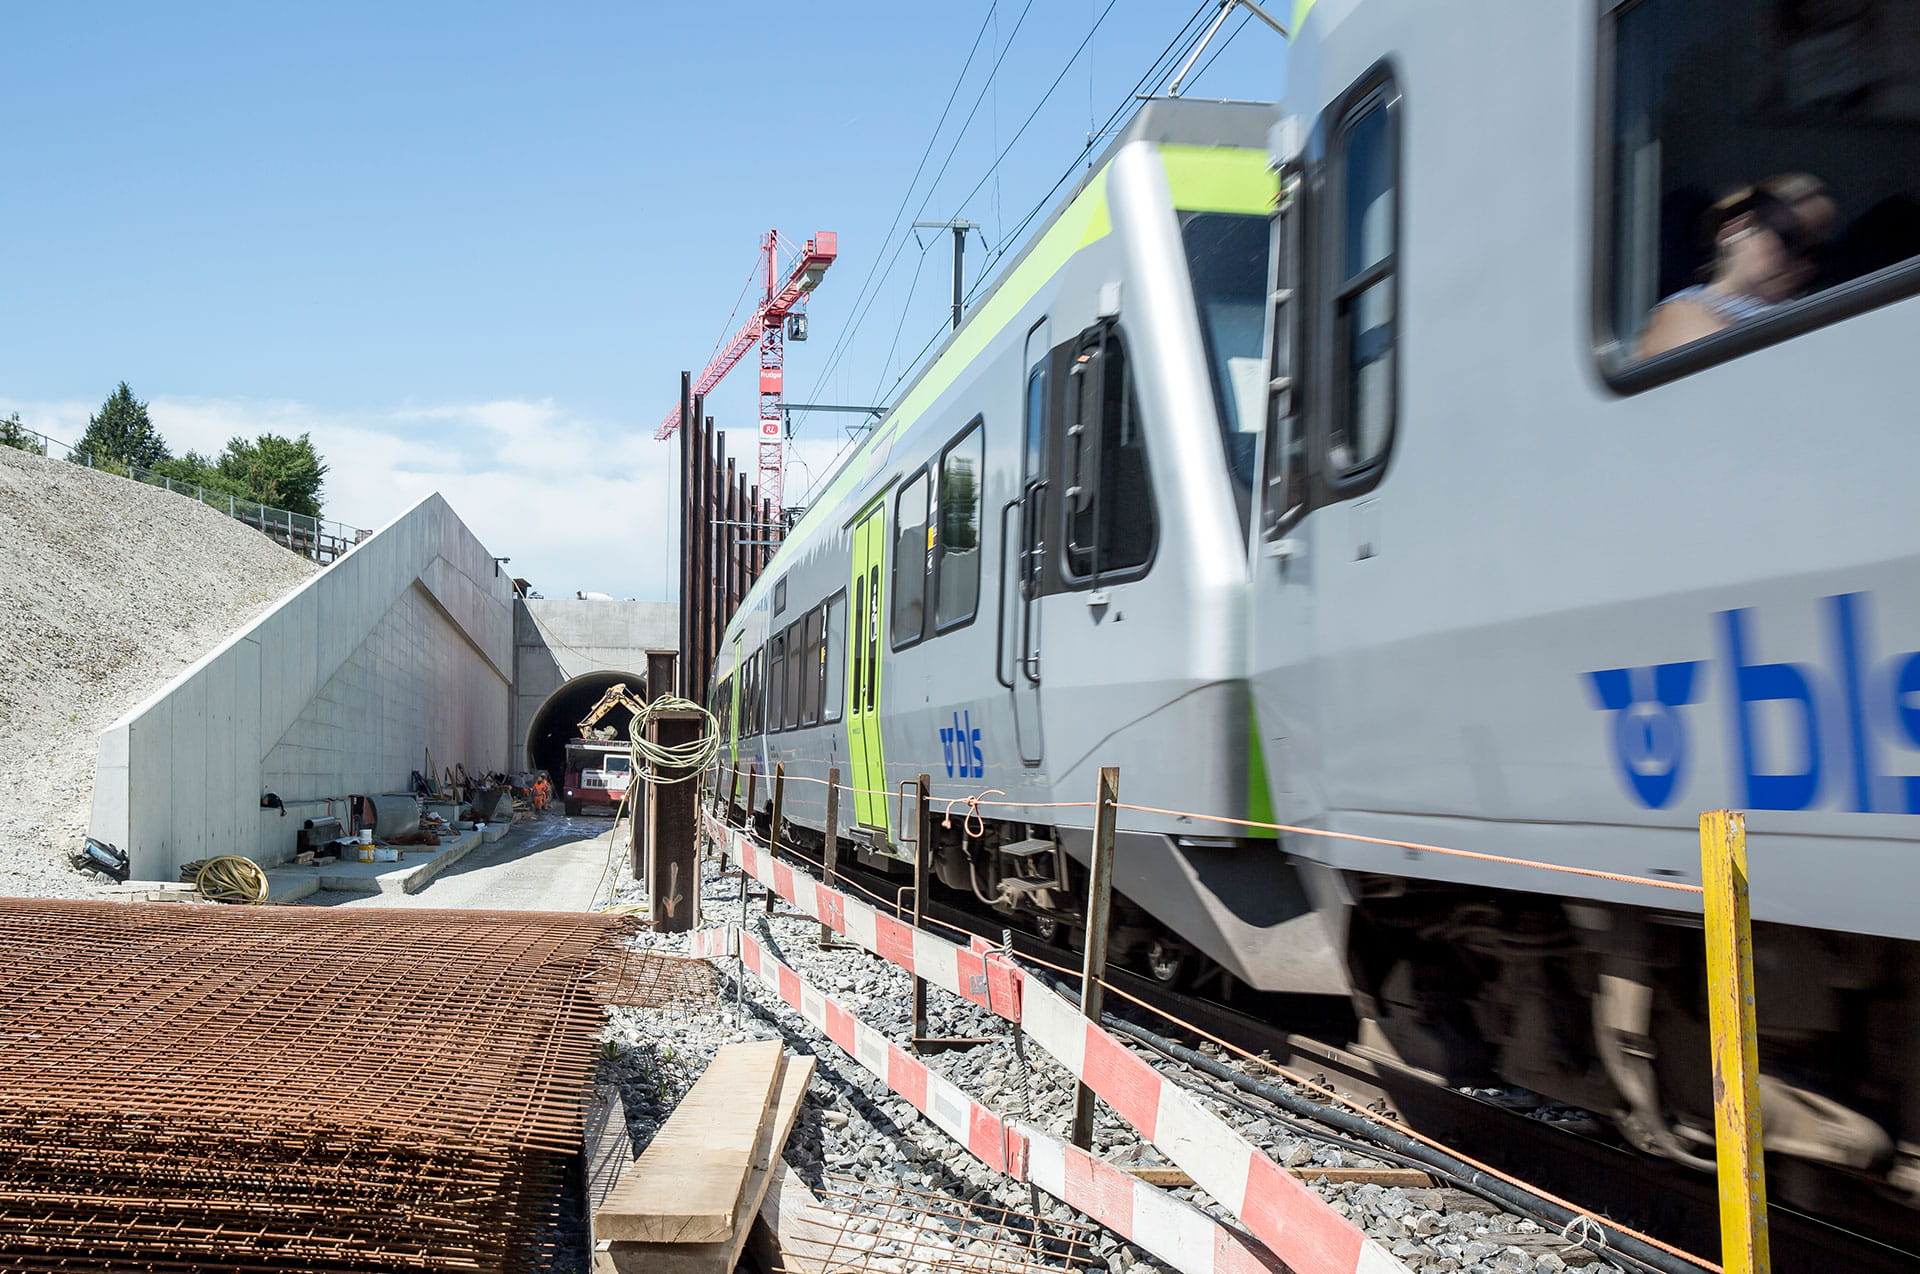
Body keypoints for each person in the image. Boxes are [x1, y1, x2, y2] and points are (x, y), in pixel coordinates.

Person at [1635, 173, 1838, 359]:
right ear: (1737, 227)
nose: (1803, 263)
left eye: (1815, 253)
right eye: (1788, 237)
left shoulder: (1809, 320)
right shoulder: (1680, 312)